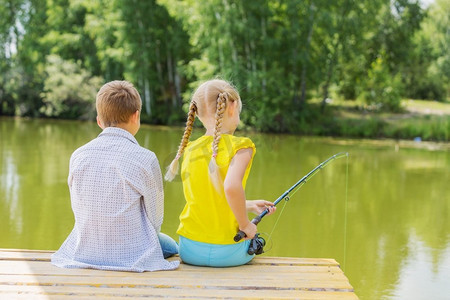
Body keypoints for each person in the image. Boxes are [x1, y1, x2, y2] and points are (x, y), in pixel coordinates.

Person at [51, 80, 179, 272]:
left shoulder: (78, 155)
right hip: (132, 253)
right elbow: (155, 218)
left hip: (86, 249)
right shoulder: (146, 158)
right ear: (136, 116)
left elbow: (78, 208)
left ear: (99, 121)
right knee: (172, 247)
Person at [165, 79, 276, 267]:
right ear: (232, 107)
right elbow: (231, 187)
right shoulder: (241, 146)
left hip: (190, 250)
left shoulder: (189, 149)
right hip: (228, 252)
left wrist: (247, 205)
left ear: (197, 114)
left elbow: (206, 198)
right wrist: (245, 225)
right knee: (255, 242)